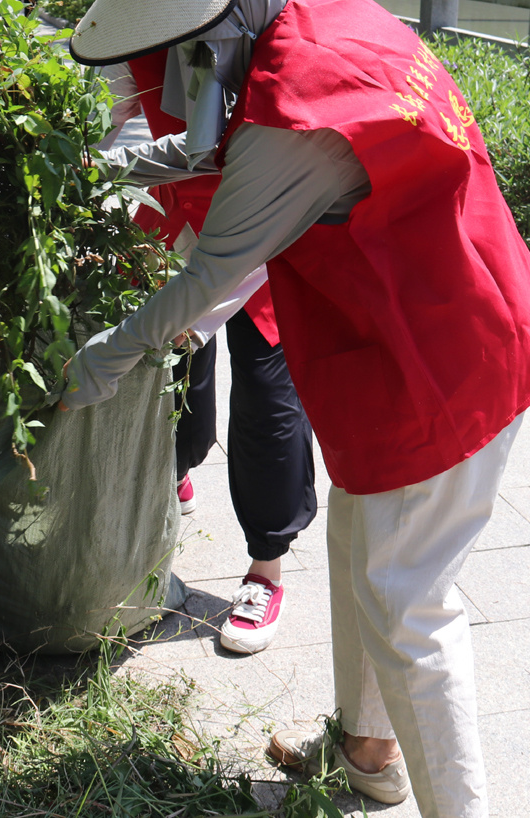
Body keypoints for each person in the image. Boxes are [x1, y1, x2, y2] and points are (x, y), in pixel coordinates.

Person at [62, 0, 530, 817]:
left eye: (182, 31)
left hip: (444, 356)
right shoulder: (314, 14)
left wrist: (101, 363)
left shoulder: (301, 106)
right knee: (364, 559)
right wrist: (105, 162)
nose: (175, 58)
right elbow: (216, 149)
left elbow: (212, 276)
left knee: (409, 607)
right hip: (427, 321)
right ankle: (366, 757)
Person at [99, 46, 316, 657]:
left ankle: (265, 569)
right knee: (170, 366)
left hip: (265, 222)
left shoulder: (267, 16)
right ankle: (177, 466)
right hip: (178, 214)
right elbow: (105, 112)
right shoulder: (138, 20)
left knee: (268, 393)